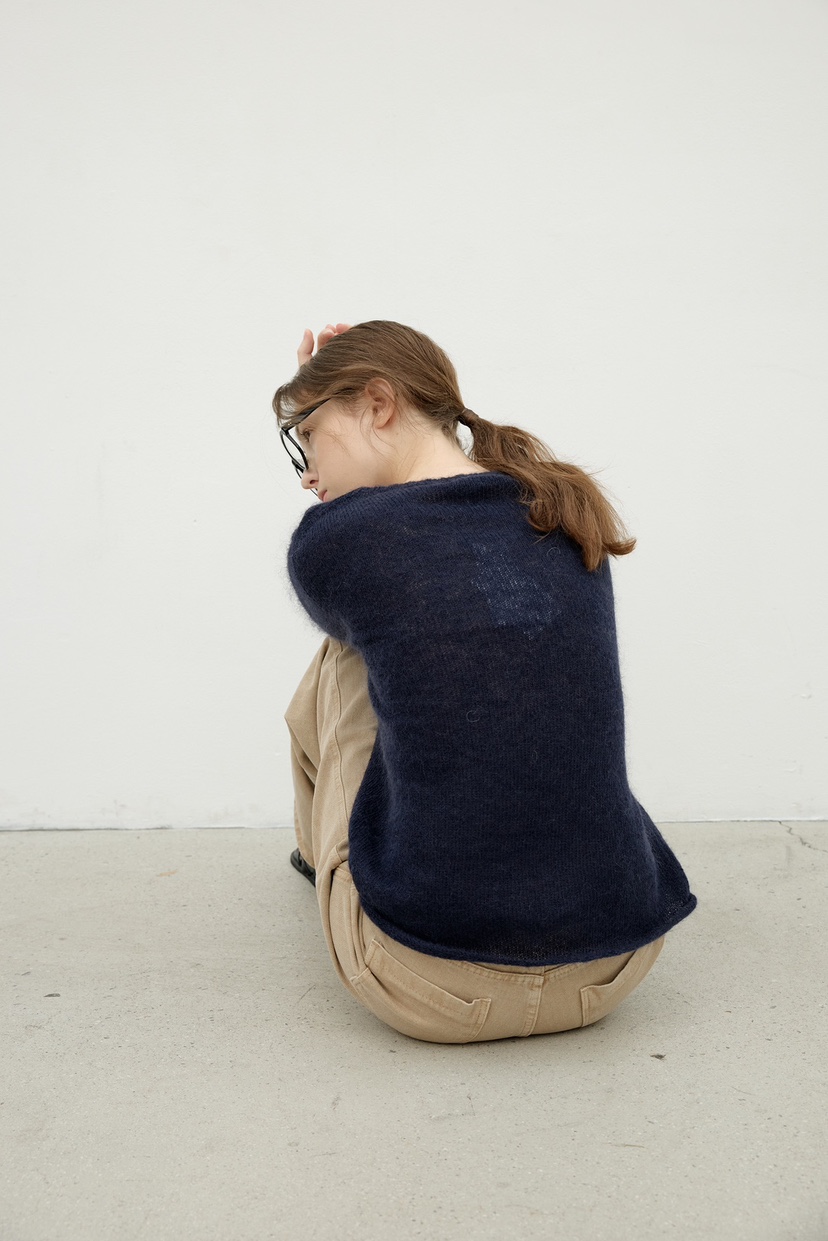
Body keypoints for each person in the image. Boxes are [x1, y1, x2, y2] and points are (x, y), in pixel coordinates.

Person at [273, 319, 697, 1044]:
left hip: (427, 983)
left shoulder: (339, 538)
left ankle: (324, 861)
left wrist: (316, 390)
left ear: (379, 403)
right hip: (614, 965)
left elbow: (376, 592)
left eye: (307, 435)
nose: (308, 473)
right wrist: (325, 393)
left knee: (346, 651)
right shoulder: (561, 507)